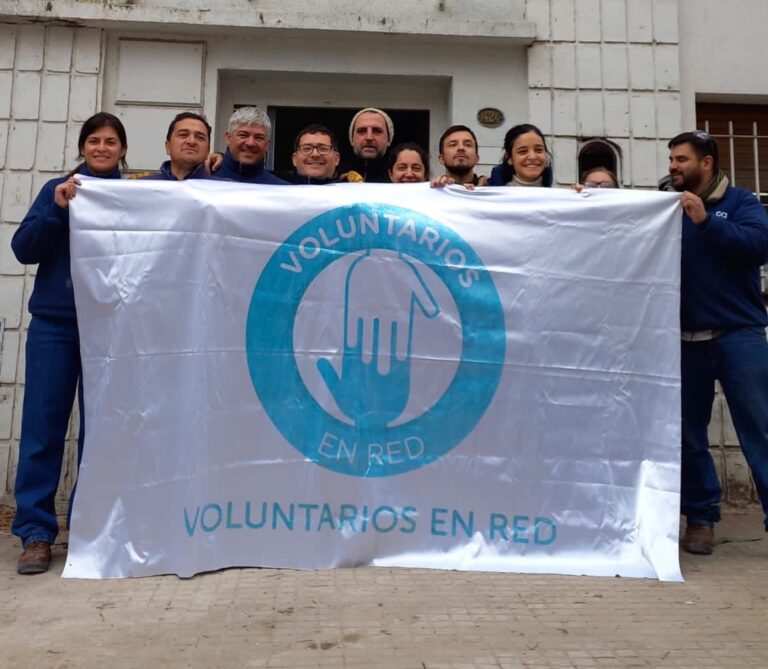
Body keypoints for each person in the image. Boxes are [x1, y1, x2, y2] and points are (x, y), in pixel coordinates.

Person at [10, 112, 128, 574]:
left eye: (111, 142)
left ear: (122, 149)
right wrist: (57, 210)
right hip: (56, 327)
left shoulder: (134, 193)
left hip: (112, 328)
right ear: (83, 146)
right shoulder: (59, 189)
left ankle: (87, 526)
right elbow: (23, 249)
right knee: (43, 427)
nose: (102, 148)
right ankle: (36, 534)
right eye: (94, 141)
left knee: (101, 432)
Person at [669, 130, 768, 555]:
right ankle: (701, 518)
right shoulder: (664, 205)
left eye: (681, 160)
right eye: (671, 159)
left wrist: (706, 223)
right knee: (690, 434)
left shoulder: (742, 203)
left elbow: (759, 246)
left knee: (758, 430)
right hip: (685, 341)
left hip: (738, 337)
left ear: (706, 163)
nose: (673, 166)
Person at [214, 106, 286, 184]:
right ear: (228, 138)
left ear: (268, 144)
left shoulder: (280, 190)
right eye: (243, 135)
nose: (250, 143)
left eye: (259, 137)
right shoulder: (203, 177)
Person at [143, 112, 212, 181]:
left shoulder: (220, 188)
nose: (191, 141)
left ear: (208, 151)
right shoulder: (142, 187)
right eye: (183, 135)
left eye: (200, 137)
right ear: (168, 146)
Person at [488, 123, 554, 187]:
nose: (532, 157)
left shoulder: (558, 196)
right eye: (523, 151)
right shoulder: (491, 195)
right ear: (509, 158)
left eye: (538, 150)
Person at [340, 107, 394, 183]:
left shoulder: (399, 175)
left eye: (377, 131)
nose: (369, 137)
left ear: (389, 139)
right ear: (352, 139)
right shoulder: (334, 174)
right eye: (361, 131)